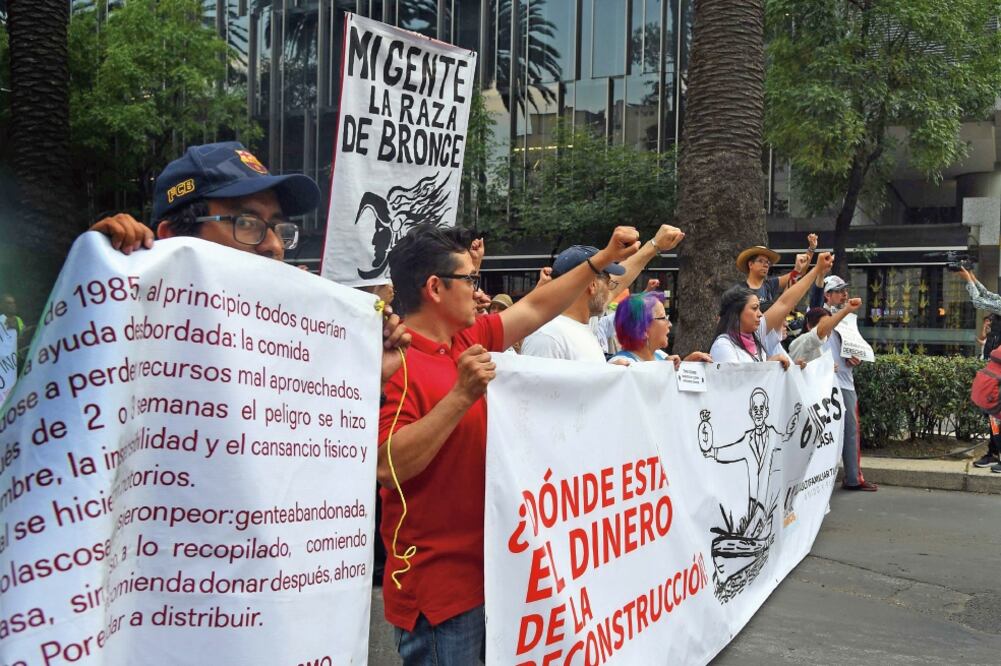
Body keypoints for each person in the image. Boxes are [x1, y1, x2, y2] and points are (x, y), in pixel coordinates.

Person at [377, 223, 640, 664]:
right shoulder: (392, 363)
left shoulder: (466, 339)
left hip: (495, 573)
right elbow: (388, 467)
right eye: (471, 280)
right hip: (439, 591)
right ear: (436, 288)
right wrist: (461, 396)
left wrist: (601, 259)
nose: (478, 292)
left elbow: (538, 305)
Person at [87, 141, 410, 385]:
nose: (272, 245)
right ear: (172, 236)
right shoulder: (129, 329)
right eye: (246, 223)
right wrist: (96, 279)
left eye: (279, 228)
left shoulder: (294, 342)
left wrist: (363, 381)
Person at [522, 225, 685, 361]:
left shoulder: (583, 328)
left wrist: (655, 245)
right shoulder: (548, 337)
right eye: (608, 282)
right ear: (592, 285)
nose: (611, 288)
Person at [711, 252, 834, 366]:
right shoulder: (723, 346)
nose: (760, 314)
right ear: (736, 312)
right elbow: (738, 384)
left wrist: (817, 269)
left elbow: (785, 302)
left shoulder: (758, 337)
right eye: (754, 308)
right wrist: (768, 366)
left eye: (768, 262)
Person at [817, 275, 877, 491]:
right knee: (821, 432)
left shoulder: (849, 318)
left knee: (851, 430)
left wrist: (857, 358)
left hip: (844, 381)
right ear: (827, 295)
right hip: (821, 381)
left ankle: (853, 478)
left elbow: (853, 348)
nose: (844, 294)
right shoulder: (817, 314)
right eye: (839, 290)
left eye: (845, 290)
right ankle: (817, 481)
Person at [608, 292, 711, 367]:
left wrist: (687, 366)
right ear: (643, 330)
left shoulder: (660, 355)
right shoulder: (620, 365)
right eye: (663, 318)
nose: (669, 324)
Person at [735, 233, 817, 305]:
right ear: (750, 264)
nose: (766, 265)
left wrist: (811, 249)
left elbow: (798, 273)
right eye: (761, 261)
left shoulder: (769, 285)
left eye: (767, 262)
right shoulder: (739, 291)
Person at [789, 299, 863, 364]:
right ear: (809, 326)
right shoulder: (804, 341)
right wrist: (846, 310)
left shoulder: (823, 346)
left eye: (830, 326)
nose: (828, 330)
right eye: (825, 325)